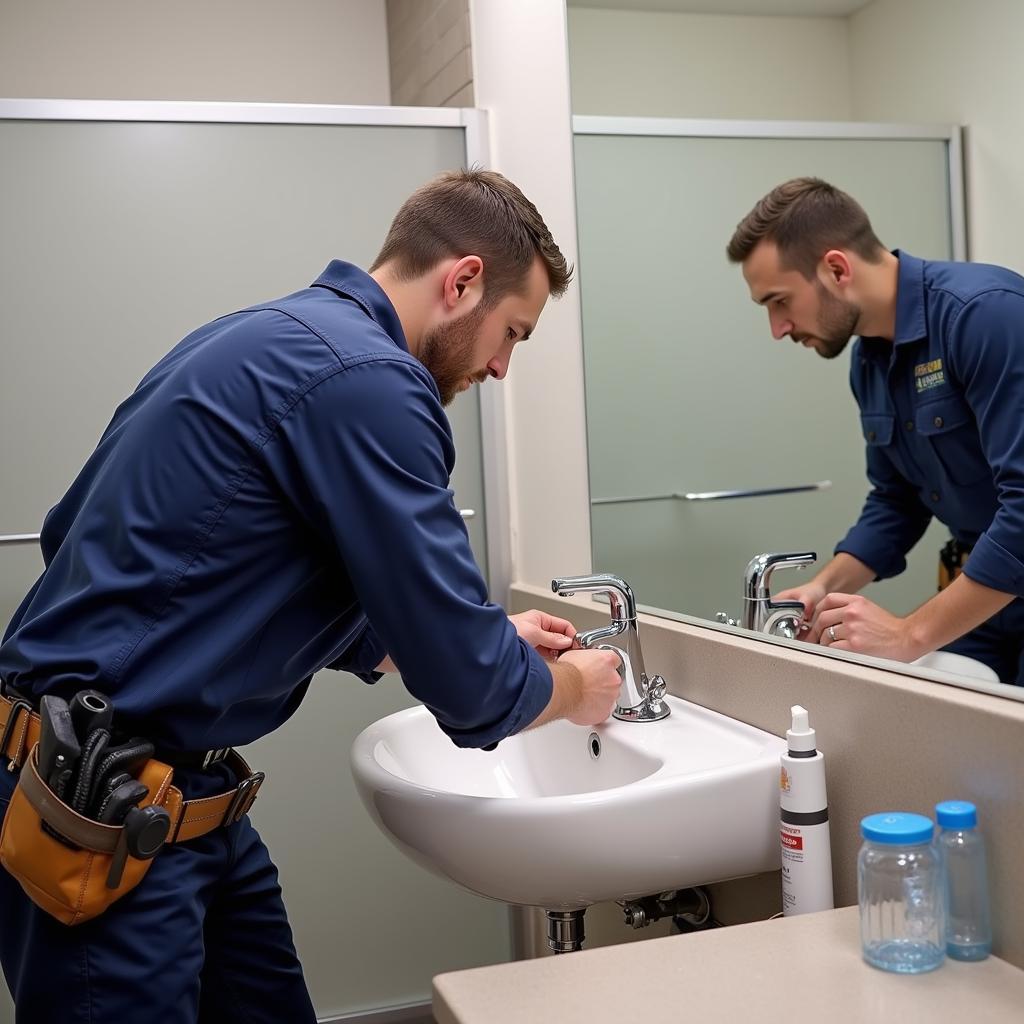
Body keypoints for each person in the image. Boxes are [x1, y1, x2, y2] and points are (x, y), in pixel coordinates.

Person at [0, 169, 623, 1022]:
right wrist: (576, 688)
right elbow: (474, 696)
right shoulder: (371, 379)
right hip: (99, 803)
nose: (504, 367)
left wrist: (458, 633)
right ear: (463, 281)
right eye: (512, 333)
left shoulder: (256, 335)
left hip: (183, 803)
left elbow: (81, 536)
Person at [726, 176, 1024, 684]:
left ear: (836, 268)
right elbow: (897, 498)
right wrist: (822, 587)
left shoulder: (985, 316)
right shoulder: (868, 360)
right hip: (993, 600)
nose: (777, 328)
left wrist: (909, 635)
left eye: (779, 301)